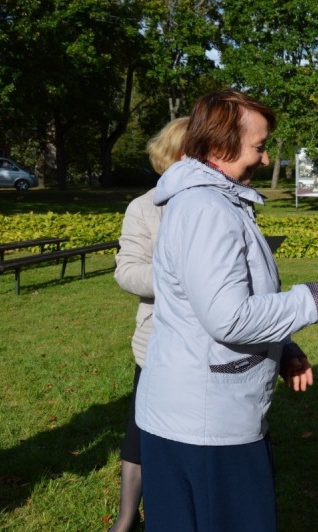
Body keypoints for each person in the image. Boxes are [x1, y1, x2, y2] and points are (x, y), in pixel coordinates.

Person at [134, 88, 318, 532]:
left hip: (194, 414)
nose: (263, 159)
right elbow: (228, 316)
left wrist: (284, 346)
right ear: (220, 148)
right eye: (258, 147)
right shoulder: (206, 208)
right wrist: (315, 298)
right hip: (205, 424)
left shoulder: (212, 201)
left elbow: (232, 297)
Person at [110, 117, 189, 532]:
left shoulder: (231, 202)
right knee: (140, 432)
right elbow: (127, 272)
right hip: (158, 341)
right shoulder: (144, 206)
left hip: (215, 346)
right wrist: (182, 280)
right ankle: (126, 520)